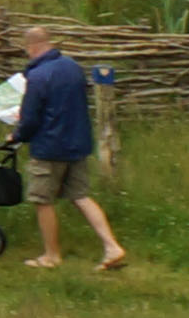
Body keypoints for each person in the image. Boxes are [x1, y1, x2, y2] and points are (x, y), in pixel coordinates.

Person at [12, 24, 128, 272]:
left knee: (42, 199)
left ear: (32, 47)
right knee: (81, 196)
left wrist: (17, 135)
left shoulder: (38, 76)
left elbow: (31, 118)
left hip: (49, 147)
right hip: (77, 143)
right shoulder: (73, 67)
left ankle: (51, 255)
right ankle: (111, 246)